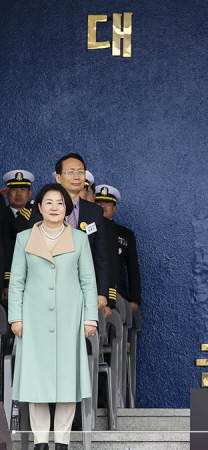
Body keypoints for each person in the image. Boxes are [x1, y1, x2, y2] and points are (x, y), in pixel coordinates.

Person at [8, 183, 99, 450]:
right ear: (38, 207)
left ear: (67, 208)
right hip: (33, 320)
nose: (55, 207)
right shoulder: (24, 239)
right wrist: (16, 317)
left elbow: (88, 281)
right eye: (48, 202)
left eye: (60, 203)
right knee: (37, 382)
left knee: (66, 381)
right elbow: (17, 282)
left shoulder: (79, 239)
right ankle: (40, 442)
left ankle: (61, 441)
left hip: (70, 320)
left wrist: (89, 318)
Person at [16, 154, 111, 314]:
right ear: (58, 178)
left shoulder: (94, 212)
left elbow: (101, 255)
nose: (77, 176)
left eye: (81, 172)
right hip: (45, 288)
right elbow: (32, 250)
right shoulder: (40, 208)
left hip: (81, 290)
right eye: (71, 171)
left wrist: (101, 292)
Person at [95, 184, 141, 312]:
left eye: (107, 203)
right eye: (98, 202)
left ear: (115, 208)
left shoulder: (125, 234)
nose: (102, 206)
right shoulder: (87, 229)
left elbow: (132, 268)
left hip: (118, 294)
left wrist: (134, 299)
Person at [2, 170, 35, 304]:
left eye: (23, 189)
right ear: (7, 192)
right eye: (14, 189)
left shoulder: (38, 217)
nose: (18, 193)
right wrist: (7, 282)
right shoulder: (2, 215)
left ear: (30, 194)